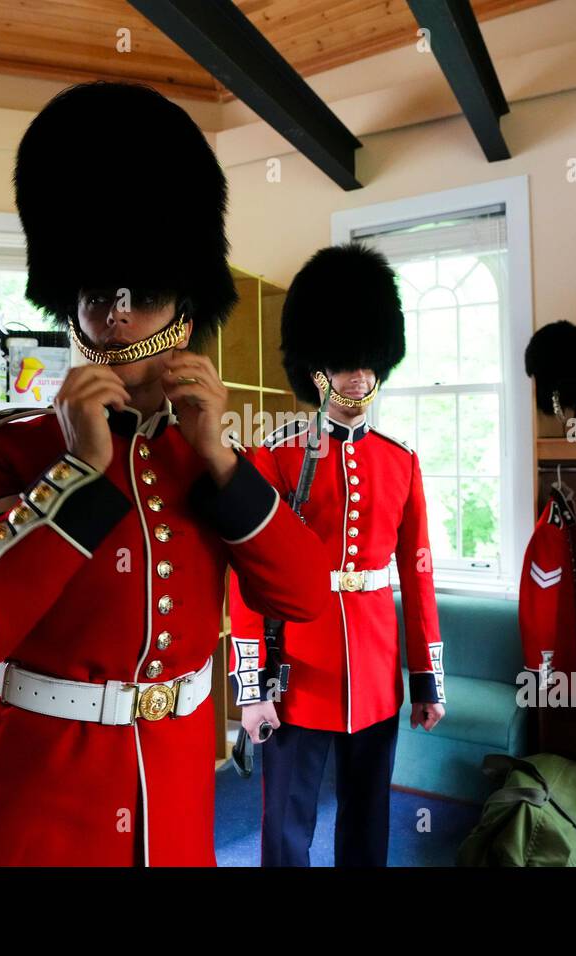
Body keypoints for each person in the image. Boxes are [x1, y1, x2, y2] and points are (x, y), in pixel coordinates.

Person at [0, 81, 331, 867]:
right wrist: (76, 476)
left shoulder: (207, 451)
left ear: (183, 302)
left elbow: (305, 594)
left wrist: (220, 460)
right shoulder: (9, 450)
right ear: (65, 303)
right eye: (97, 294)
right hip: (40, 803)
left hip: (174, 801)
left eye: (142, 294)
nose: (116, 316)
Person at [227, 243, 445, 867]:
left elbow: (417, 574)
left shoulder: (401, 460)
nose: (359, 378)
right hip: (298, 668)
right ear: (316, 369)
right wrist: (251, 687)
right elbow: (251, 579)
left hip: (376, 672)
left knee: (368, 822)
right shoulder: (277, 456)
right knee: (286, 830)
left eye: (368, 364)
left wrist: (425, 676)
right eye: (345, 364)